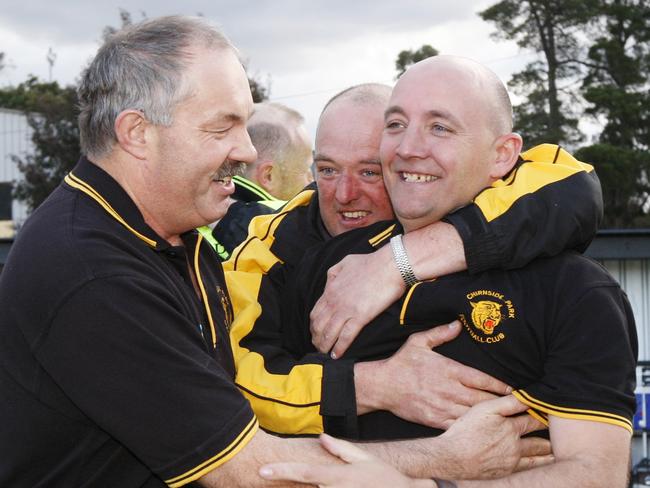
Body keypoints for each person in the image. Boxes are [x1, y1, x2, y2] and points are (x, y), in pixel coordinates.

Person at [0, 17, 552, 487]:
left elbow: (561, 180)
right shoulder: (96, 274)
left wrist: (402, 260)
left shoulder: (170, 235)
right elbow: (247, 473)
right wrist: (445, 460)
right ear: (138, 134)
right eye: (223, 128)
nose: (246, 151)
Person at [259, 55, 637, 487]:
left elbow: (597, 474)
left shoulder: (574, 290)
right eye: (396, 124)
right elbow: (254, 435)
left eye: (440, 127)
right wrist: (383, 397)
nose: (407, 148)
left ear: (502, 155)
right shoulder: (332, 270)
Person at [225, 84, 604, 437]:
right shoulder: (273, 245)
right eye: (327, 170)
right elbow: (235, 376)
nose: (344, 194)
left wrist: (396, 261)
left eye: (369, 171)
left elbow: (570, 185)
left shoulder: (475, 197)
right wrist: (376, 386)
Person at [205, 102, 313, 258]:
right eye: (306, 170)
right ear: (268, 176)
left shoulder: (191, 223)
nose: (312, 180)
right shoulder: (292, 224)